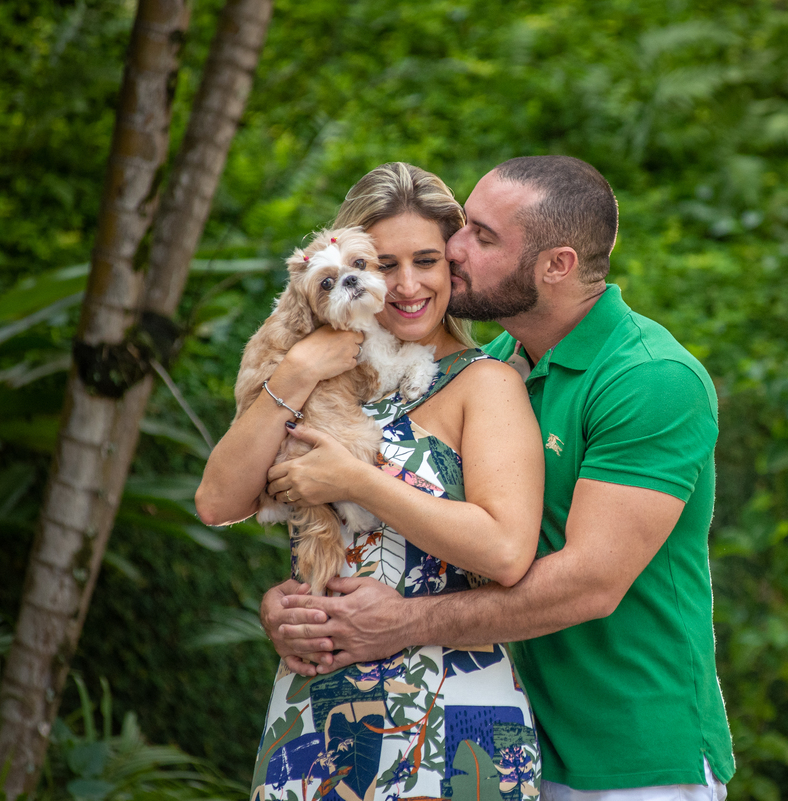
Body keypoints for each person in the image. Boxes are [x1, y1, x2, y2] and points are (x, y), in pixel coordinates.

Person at [267, 155, 736, 800]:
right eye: (464, 226)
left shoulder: (649, 379)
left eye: (483, 237)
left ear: (557, 265)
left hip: (626, 752)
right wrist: (305, 607)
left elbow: (588, 585)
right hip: (490, 738)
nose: (454, 248)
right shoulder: (485, 370)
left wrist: (404, 623)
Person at [194, 162, 546, 801]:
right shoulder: (307, 374)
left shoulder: (485, 384)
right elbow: (218, 502)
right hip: (317, 709)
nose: (409, 285)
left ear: (452, 268)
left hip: (449, 717)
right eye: (386, 263)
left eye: (428, 261)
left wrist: (354, 478)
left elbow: (505, 550)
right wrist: (299, 368)